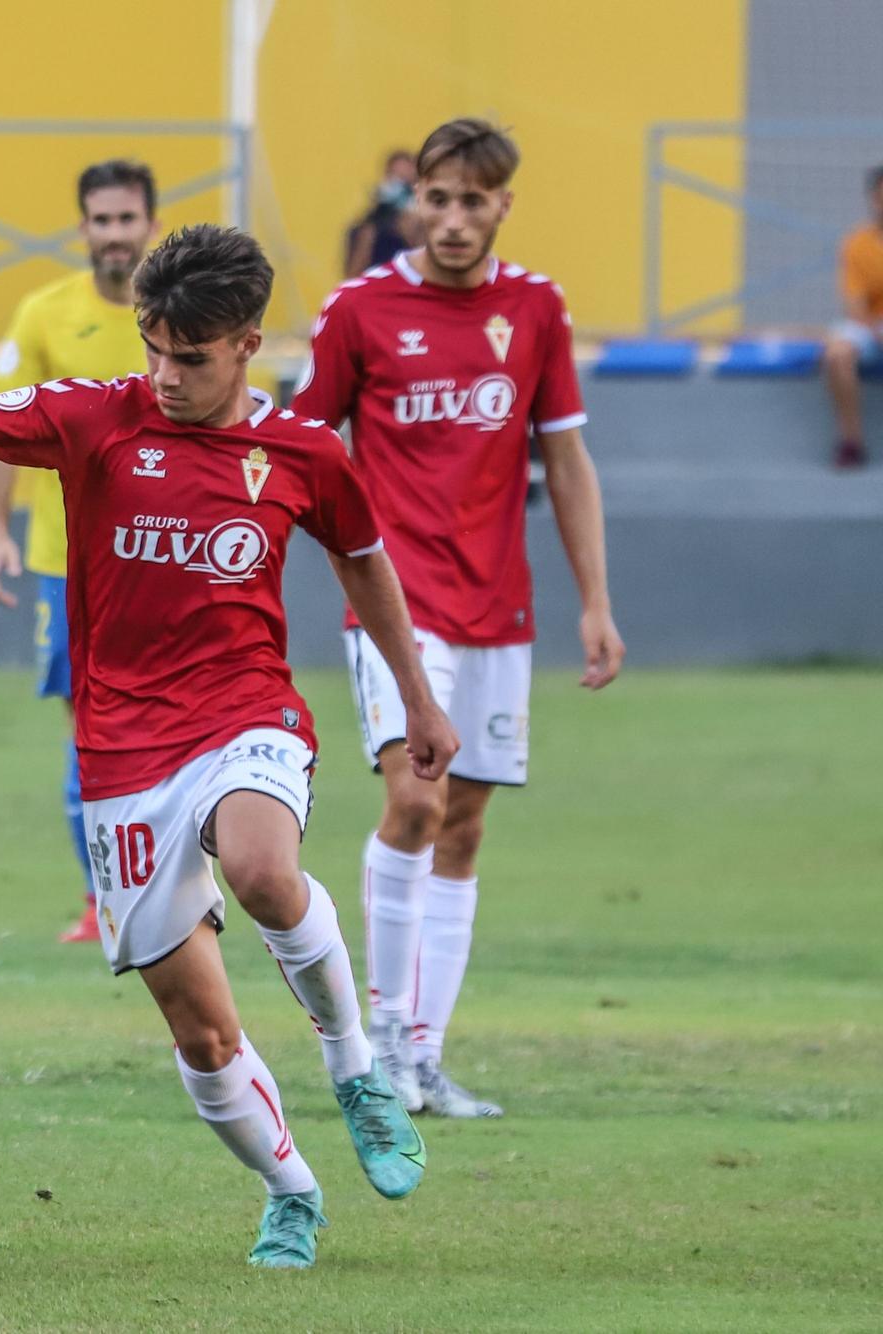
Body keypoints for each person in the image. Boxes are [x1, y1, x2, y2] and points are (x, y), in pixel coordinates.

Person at [0, 224, 452, 1269]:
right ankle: (290, 1188)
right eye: (154, 350)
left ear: (244, 344)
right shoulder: (97, 418)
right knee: (199, 1033)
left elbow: (366, 566)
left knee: (262, 869)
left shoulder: (305, 452)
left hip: (244, 711)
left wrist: (417, 702)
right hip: (121, 751)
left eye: (191, 357)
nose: (166, 375)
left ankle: (354, 1067)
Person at [293, 118, 625, 1118]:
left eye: (471, 201)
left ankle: (424, 1058)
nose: (449, 218)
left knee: (465, 824)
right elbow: (307, 445)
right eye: (434, 199)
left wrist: (596, 603)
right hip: (395, 605)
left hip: (497, 604)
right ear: (413, 201)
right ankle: (378, 1045)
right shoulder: (356, 309)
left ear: (500, 206)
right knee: (414, 803)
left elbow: (562, 458)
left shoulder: (533, 310)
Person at [0, 159, 159, 943]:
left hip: (166, 554)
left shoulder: (179, 311)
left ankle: (170, 880)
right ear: (82, 228)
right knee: (86, 723)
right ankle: (102, 899)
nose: (115, 234)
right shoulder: (45, 315)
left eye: (127, 219)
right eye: (102, 220)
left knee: (172, 718)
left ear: (151, 224)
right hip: (67, 561)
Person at [822, 163, 883, 470]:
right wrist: (875, 331)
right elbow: (855, 306)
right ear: (874, 199)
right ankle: (851, 441)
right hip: (871, 325)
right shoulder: (856, 244)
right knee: (836, 354)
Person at [342, 149, 421, 279]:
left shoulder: (426, 227)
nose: (401, 188)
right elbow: (352, 276)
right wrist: (366, 240)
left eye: (407, 182)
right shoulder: (367, 228)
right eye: (396, 179)